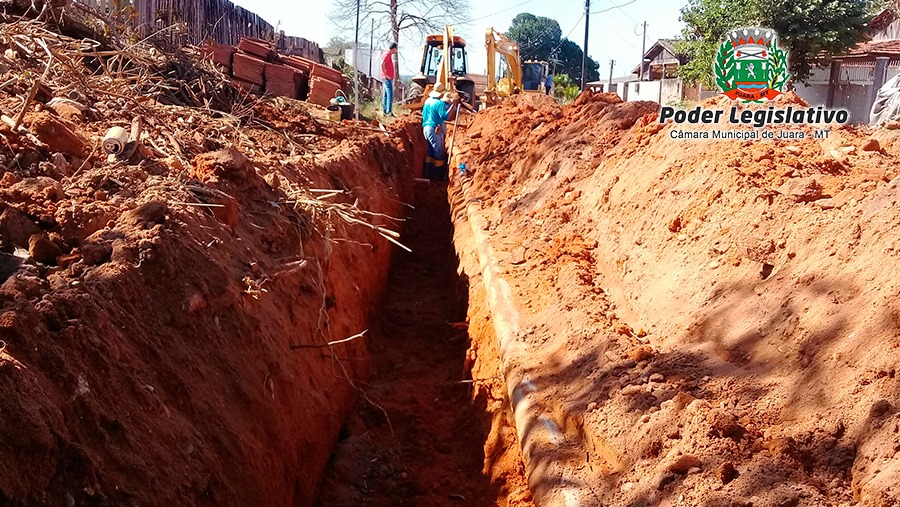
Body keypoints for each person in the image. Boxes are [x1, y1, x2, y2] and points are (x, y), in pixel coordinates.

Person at [422, 83, 459, 181]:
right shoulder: (439, 103)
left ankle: (428, 172)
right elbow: (445, 116)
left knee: (430, 151)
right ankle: (437, 176)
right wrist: (453, 105)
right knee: (439, 152)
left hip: (426, 128)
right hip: (435, 129)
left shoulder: (427, 101)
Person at [381, 43, 398, 116]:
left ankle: (384, 111)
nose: (396, 51)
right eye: (396, 49)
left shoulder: (387, 54)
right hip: (387, 78)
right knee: (390, 94)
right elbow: (382, 64)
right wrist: (386, 75)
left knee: (385, 95)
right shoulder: (387, 54)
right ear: (393, 48)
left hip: (385, 78)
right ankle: (389, 112)